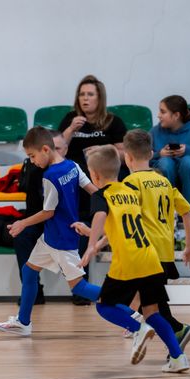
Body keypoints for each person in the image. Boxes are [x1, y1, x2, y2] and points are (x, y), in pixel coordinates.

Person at [77, 145, 189, 372]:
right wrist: (95, 238)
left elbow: (100, 215)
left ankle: (138, 330)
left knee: (104, 306)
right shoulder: (130, 191)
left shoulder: (101, 195)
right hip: (150, 257)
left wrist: (90, 246)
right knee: (153, 312)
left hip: (128, 261)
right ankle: (178, 358)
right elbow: (119, 225)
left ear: (94, 175)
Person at [0, 126, 101, 336]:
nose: (32, 161)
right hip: (51, 237)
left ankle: (130, 306)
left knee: (80, 288)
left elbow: (48, 212)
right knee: (29, 271)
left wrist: (22, 223)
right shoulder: (73, 166)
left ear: (45, 149)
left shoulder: (50, 176)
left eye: (32, 156)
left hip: (61, 240)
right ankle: (23, 322)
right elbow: (94, 191)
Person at [122, 129, 190, 353]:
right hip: (164, 251)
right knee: (152, 301)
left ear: (127, 157)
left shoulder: (130, 182)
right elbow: (186, 213)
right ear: (151, 153)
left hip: (144, 251)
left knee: (144, 301)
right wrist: (189, 246)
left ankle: (176, 331)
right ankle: (172, 338)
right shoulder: (163, 181)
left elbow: (126, 219)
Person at [59, 75, 128, 303]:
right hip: (76, 183)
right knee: (79, 229)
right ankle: (81, 287)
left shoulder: (113, 122)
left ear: (100, 98)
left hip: (104, 182)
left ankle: (124, 287)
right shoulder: (70, 119)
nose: (85, 99)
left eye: (90, 94)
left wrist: (104, 148)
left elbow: (124, 153)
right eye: (82, 94)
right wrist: (70, 130)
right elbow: (57, 149)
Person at [150, 95, 190, 222]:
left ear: (176, 115)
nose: (158, 115)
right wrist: (159, 154)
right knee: (165, 163)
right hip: (163, 183)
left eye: (163, 112)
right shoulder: (154, 132)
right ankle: (169, 210)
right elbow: (141, 160)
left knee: (188, 162)